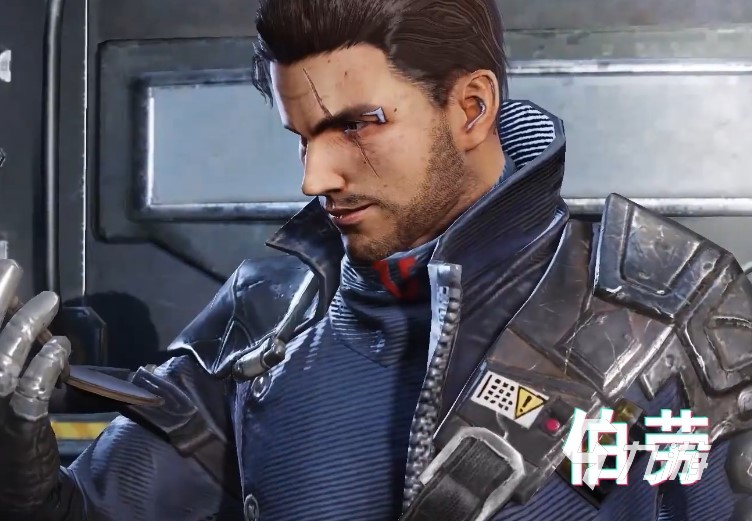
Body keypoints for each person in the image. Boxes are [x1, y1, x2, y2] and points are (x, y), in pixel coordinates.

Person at [1, 0, 752, 520]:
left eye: (356, 126)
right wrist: (19, 472)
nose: (314, 178)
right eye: (304, 138)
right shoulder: (271, 314)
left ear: (471, 107)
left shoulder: (672, 328)